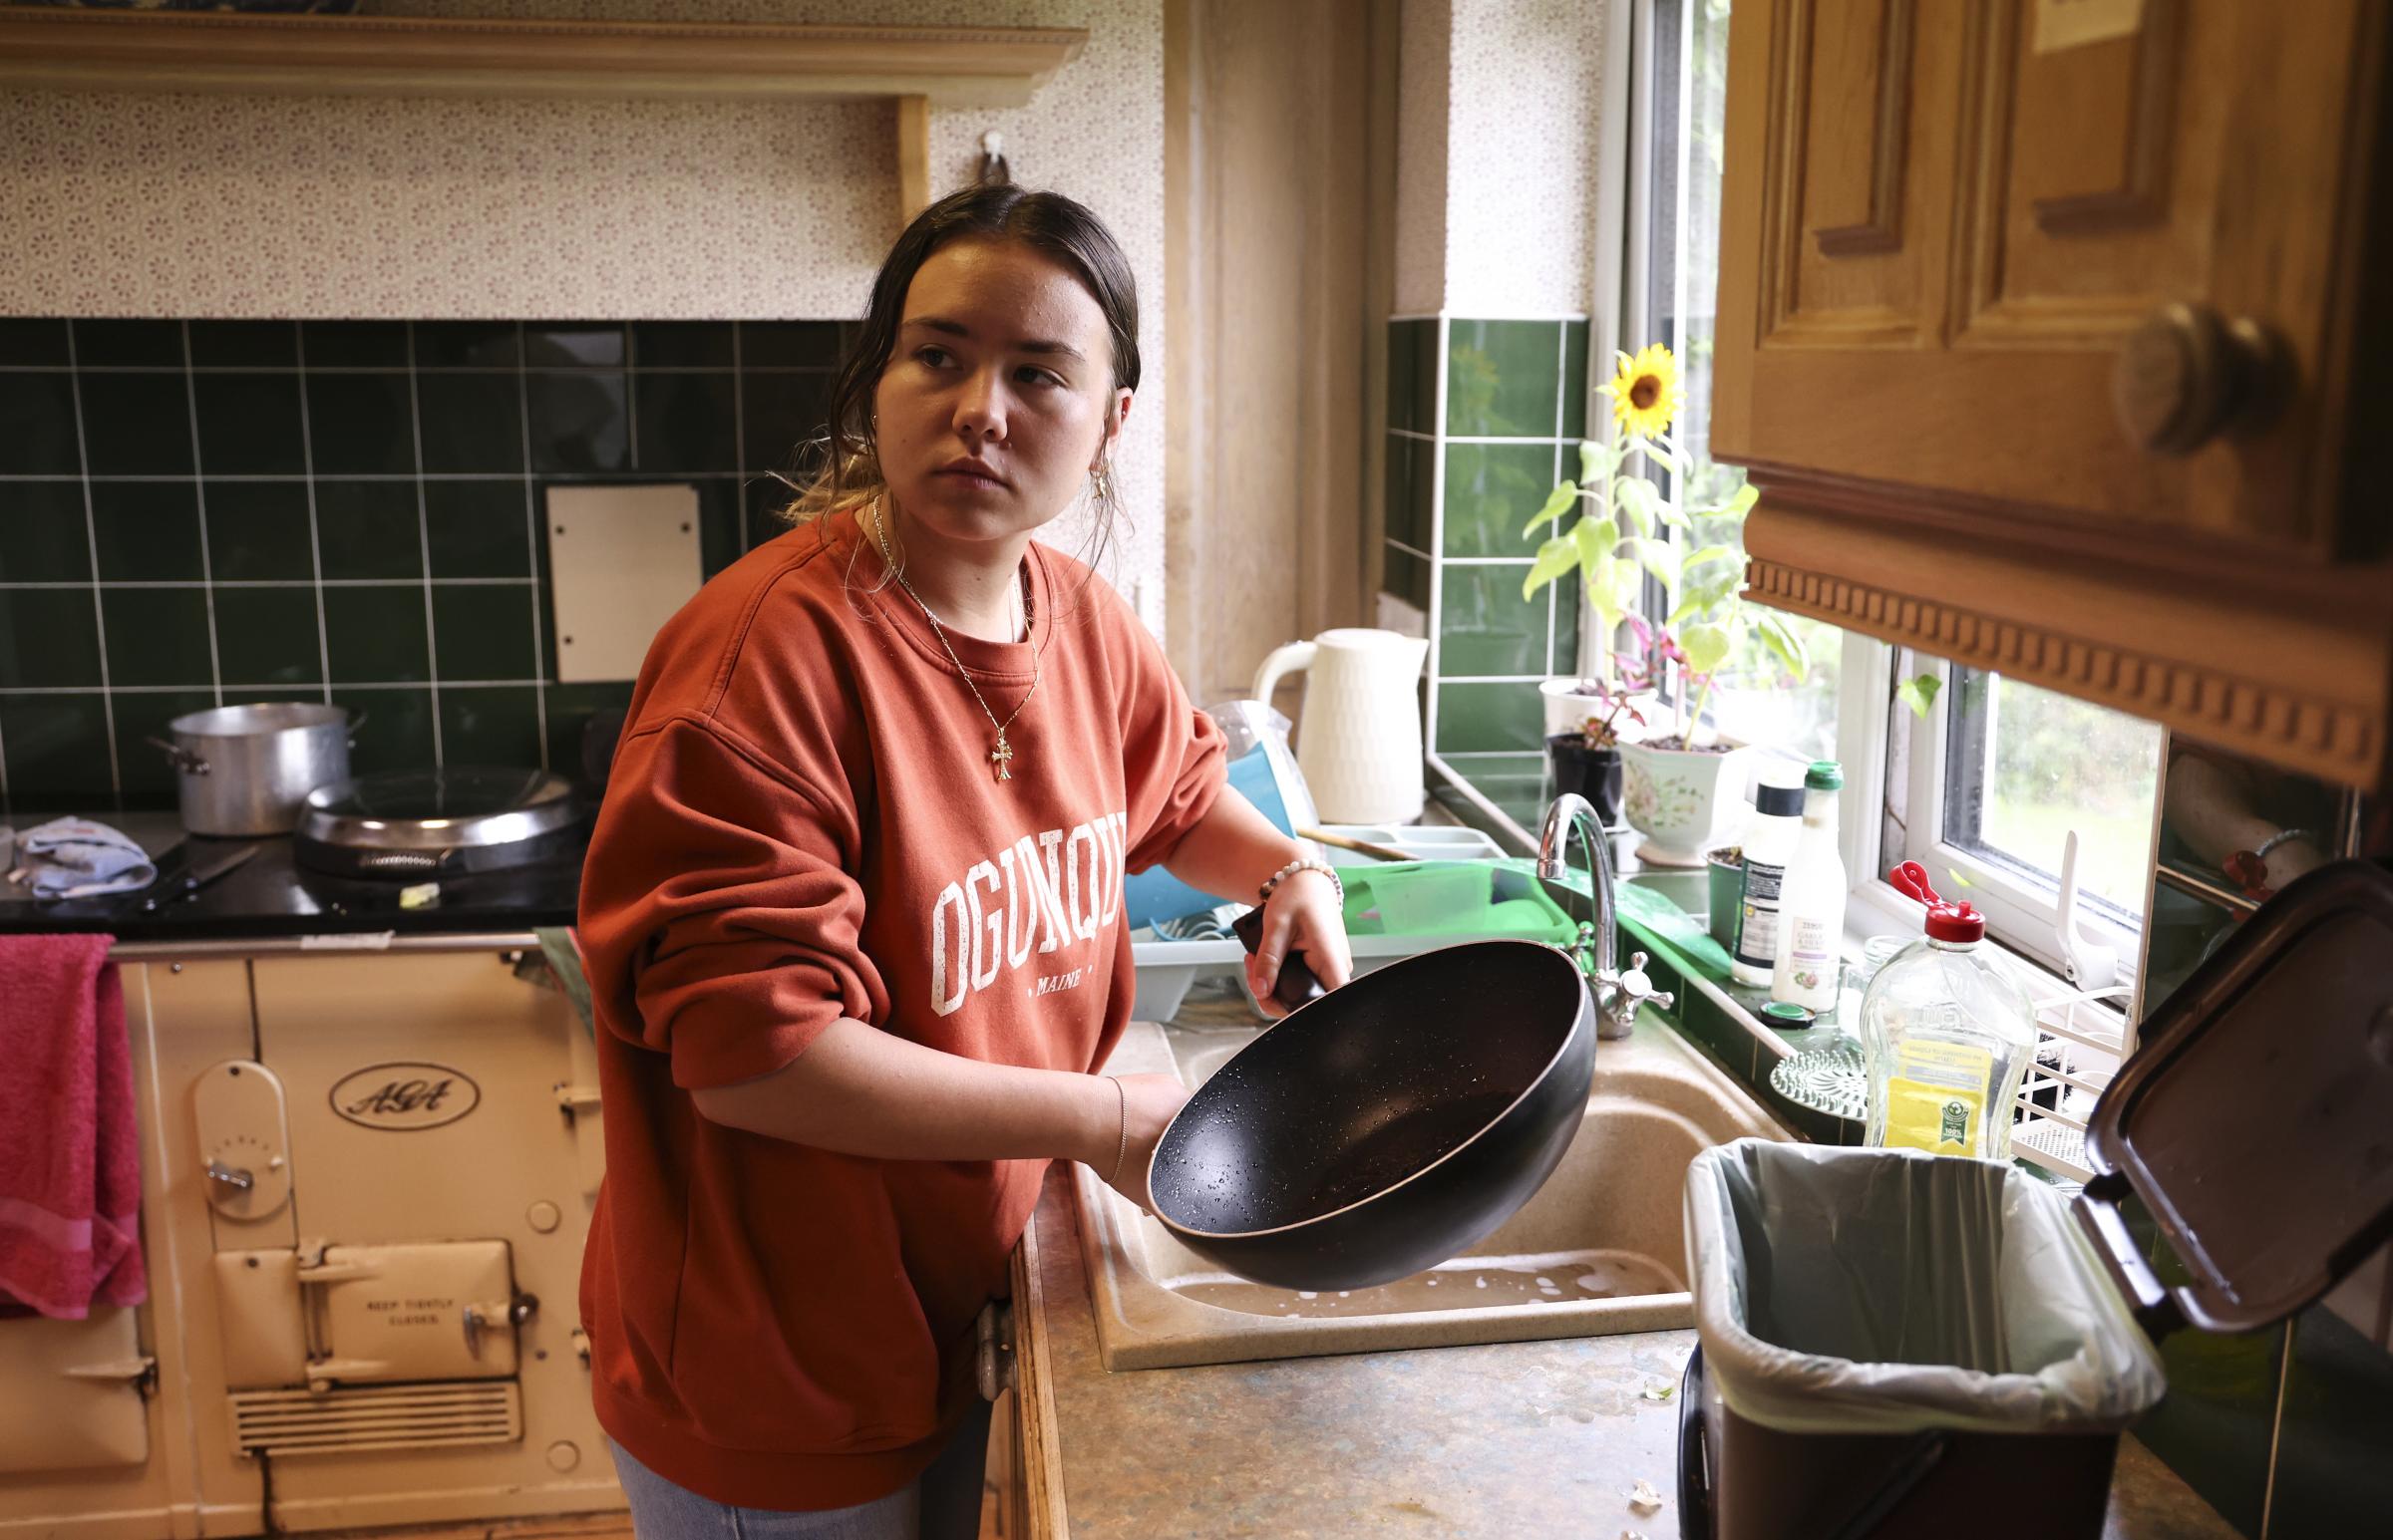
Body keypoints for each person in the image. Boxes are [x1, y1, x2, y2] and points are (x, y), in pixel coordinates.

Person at [574, 183, 1354, 1540]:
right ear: (880, 378)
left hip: (947, 1298)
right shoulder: (765, 662)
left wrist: (1293, 873)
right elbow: (756, 1059)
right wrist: (1103, 1119)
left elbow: (1175, 802)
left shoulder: (1080, 618)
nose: (980, 408)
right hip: (780, 1370)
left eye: (1038, 372)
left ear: (1111, 421)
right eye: (939, 356)